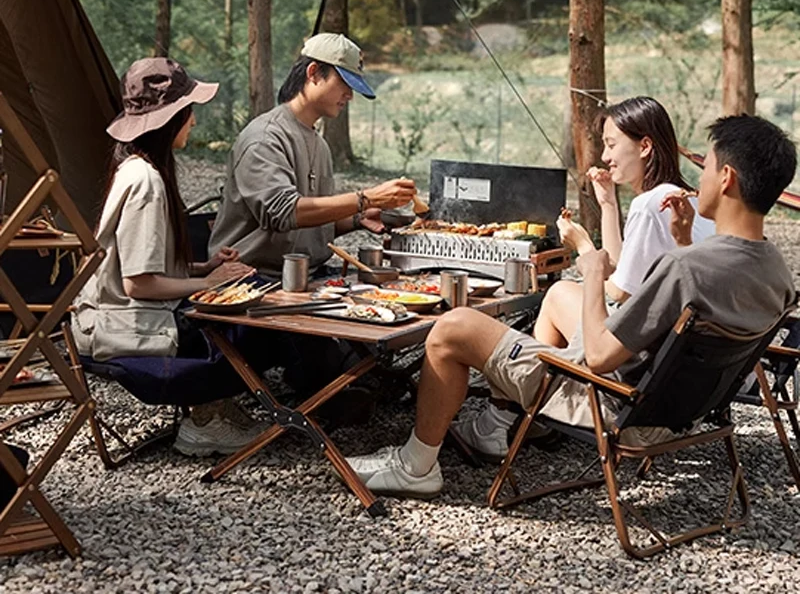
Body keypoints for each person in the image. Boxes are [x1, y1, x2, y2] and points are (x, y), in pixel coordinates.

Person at [344, 114, 796, 499]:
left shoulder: (685, 269)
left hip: (608, 401)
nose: (699, 177)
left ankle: (416, 466)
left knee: (453, 326)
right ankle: (508, 423)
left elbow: (598, 357)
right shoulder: (775, 270)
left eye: (706, 166)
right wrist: (680, 239)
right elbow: (701, 298)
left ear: (726, 178)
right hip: (679, 409)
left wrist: (591, 267)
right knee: (560, 297)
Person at [456, 96, 715, 460]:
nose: (605, 156)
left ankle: (511, 417)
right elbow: (623, 269)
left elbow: (619, 291)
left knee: (557, 294)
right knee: (565, 292)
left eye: (611, 144)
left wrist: (582, 248)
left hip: (637, 368)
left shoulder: (650, 205)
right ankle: (523, 420)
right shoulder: (689, 202)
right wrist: (608, 204)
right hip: (678, 378)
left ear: (644, 146)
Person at [71, 57, 269, 456]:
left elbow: (133, 265)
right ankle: (206, 420)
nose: (193, 121)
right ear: (170, 118)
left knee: (248, 290)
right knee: (257, 323)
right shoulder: (146, 181)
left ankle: (215, 411)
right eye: (188, 111)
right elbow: (137, 284)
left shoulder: (133, 167)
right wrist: (208, 283)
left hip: (118, 316)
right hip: (124, 328)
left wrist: (205, 267)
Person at [209, 33, 417, 275]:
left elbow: (308, 225)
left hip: (309, 273)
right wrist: (367, 198)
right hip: (253, 278)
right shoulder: (265, 138)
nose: (350, 95)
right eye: (345, 83)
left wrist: (357, 218)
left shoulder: (320, 144)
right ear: (314, 72)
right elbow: (285, 213)